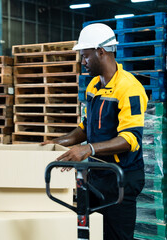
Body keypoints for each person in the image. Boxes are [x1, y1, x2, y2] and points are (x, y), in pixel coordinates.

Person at [42, 23, 148, 240]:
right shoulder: (93, 87)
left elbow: (130, 139)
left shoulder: (130, 88)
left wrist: (88, 149)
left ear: (101, 52)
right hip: (96, 174)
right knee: (91, 234)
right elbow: (86, 127)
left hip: (122, 178)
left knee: (116, 236)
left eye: (86, 56)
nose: (83, 62)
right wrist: (57, 142)